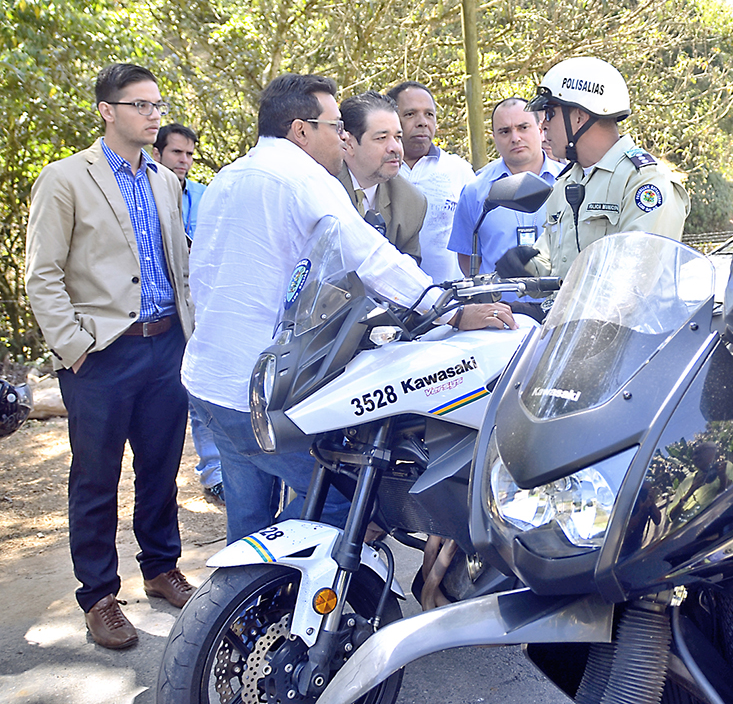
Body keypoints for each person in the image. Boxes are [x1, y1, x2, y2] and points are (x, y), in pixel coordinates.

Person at [183, 73, 514, 545]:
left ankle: (244, 590)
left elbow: (203, 275)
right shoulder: (302, 178)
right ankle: (289, 583)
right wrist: (451, 311)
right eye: (335, 126)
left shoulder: (227, 177)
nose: (341, 137)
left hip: (209, 381)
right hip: (261, 390)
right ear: (301, 130)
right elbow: (372, 257)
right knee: (341, 499)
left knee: (248, 516)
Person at [25, 63, 196, 650]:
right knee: (96, 478)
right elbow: (42, 274)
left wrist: (189, 334)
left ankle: (160, 567)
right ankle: (98, 595)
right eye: (140, 105)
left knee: (161, 469)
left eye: (157, 105)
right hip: (101, 354)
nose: (153, 114)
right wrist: (74, 348)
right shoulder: (65, 178)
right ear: (107, 110)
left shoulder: (165, 180)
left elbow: (179, 265)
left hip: (166, 344)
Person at [495, 56, 690, 280]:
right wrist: (523, 266)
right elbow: (554, 267)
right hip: (567, 306)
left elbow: (637, 278)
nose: (543, 125)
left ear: (579, 116)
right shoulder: (566, 184)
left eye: (549, 114)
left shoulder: (645, 181)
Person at [151, 122, 224, 504]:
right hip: (158, 314)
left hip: (201, 308)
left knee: (200, 394)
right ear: (157, 153)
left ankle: (214, 473)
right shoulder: (146, 194)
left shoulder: (203, 194)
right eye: (177, 152)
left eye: (190, 154)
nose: (184, 160)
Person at [447, 97, 558, 279]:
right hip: (499, 297)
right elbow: (467, 257)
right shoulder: (475, 191)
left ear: (540, 130)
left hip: (558, 295)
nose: (515, 138)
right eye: (505, 131)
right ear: (494, 137)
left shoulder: (567, 181)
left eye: (523, 127)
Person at [386, 81, 475, 284]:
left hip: (448, 297)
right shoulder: (377, 169)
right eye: (410, 114)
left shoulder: (459, 171)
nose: (422, 122)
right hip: (387, 295)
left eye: (429, 114)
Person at [337, 91, 427, 264]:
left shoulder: (412, 202)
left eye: (398, 137)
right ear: (348, 144)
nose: (395, 148)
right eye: (381, 138)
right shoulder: (320, 185)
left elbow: (407, 272)